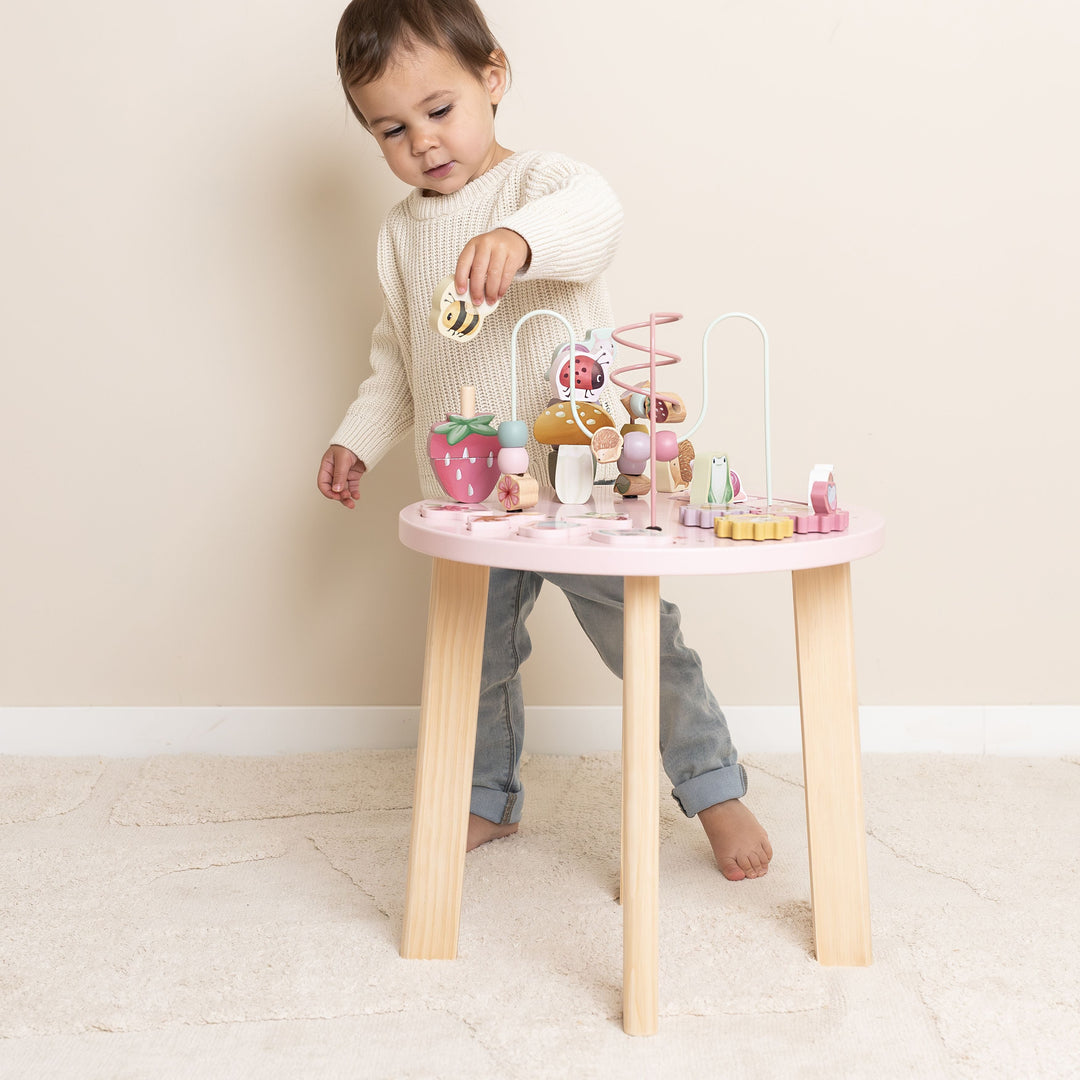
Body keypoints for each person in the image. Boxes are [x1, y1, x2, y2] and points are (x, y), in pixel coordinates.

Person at [317, 0, 772, 880]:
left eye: (440, 110)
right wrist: (356, 440)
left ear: (492, 76)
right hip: (473, 502)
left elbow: (596, 219)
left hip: (580, 482)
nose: (423, 142)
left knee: (642, 638)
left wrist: (520, 240)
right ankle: (487, 800)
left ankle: (714, 786)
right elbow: (400, 360)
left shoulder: (542, 187)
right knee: (476, 656)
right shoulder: (403, 233)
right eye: (391, 129)